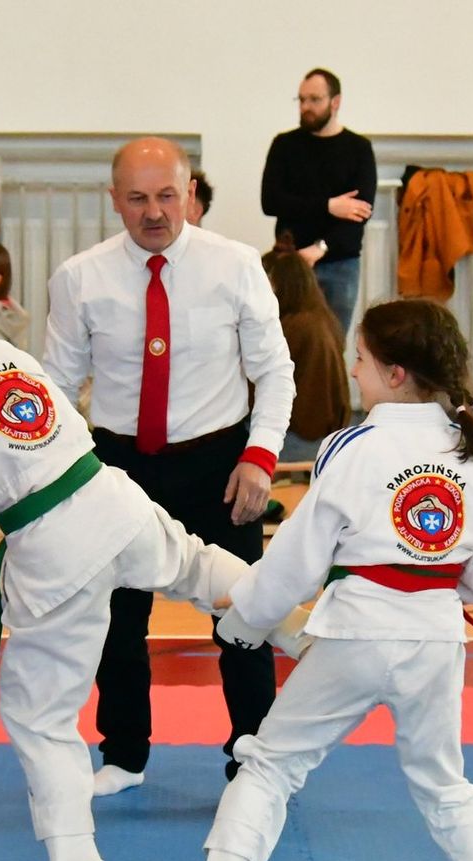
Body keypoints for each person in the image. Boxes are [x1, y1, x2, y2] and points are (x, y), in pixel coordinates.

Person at [0, 245, 303, 861]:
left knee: (37, 717)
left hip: (55, 549)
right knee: (194, 564)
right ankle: (285, 620)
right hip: (111, 499)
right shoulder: (14, 362)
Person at [145, 299, 473, 861]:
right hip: (435, 639)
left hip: (357, 632)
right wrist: (443, 591)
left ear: (394, 374)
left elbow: (299, 556)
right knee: (444, 782)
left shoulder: (351, 447)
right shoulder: (472, 452)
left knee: (269, 766)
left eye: (359, 359)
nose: (352, 370)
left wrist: (247, 618)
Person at [42, 136, 296, 795]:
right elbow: (58, 388)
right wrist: (62, 479)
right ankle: (124, 754)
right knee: (116, 620)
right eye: (137, 198)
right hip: (117, 466)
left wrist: (260, 458)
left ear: (190, 194)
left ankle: (255, 759)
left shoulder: (237, 265)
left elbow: (274, 371)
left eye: (166, 195)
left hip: (221, 465)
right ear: (114, 200)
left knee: (242, 615)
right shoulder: (79, 278)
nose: (154, 212)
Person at [261, 68, 377, 335]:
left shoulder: (358, 148)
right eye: (301, 99)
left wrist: (319, 248)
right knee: (283, 343)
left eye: (314, 99)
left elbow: (360, 212)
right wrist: (329, 206)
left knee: (332, 345)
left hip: (340, 263)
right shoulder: (285, 145)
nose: (306, 107)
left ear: (335, 102)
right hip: (290, 260)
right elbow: (271, 201)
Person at [261, 249, 350, 461]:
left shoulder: (293, 327)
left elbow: (259, 387)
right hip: (328, 435)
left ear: (279, 284)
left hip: (302, 438)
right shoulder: (324, 317)